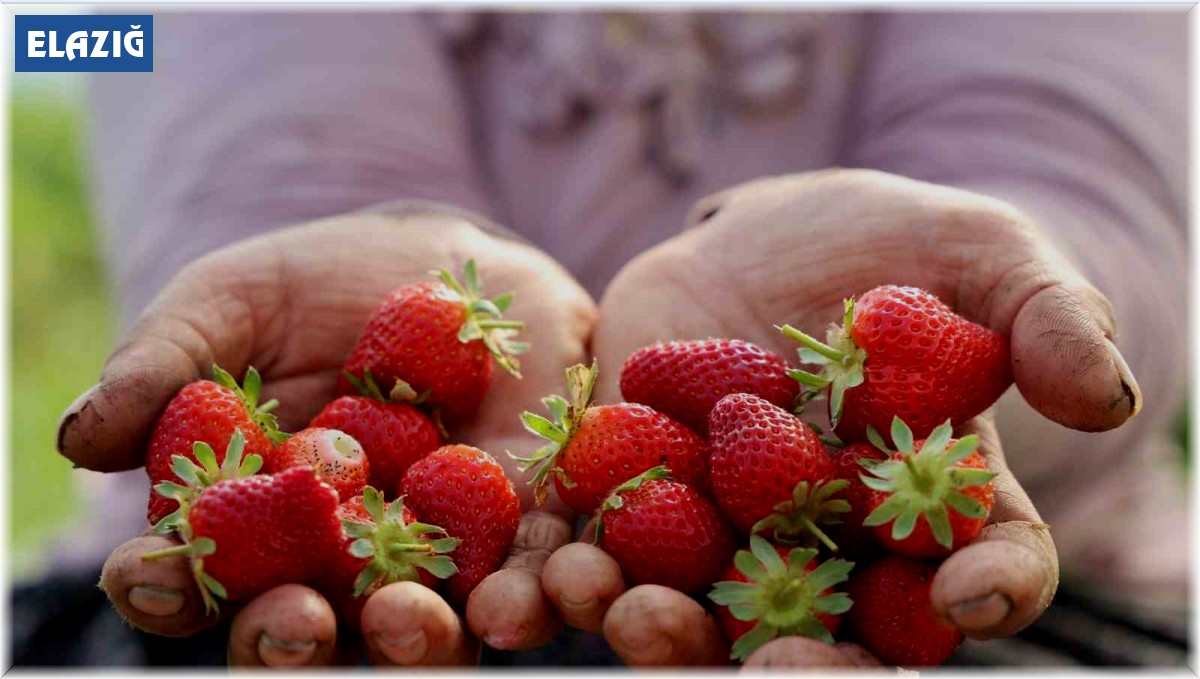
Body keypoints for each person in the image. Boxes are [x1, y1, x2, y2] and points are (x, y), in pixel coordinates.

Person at [46, 10, 1184, 667]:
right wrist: (381, 261)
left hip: (972, 560)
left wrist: (972, 320)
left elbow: (1096, 188)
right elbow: (262, 159)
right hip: (300, 584)